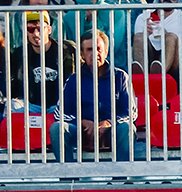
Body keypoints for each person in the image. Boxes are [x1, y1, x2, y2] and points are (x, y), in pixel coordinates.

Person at [51, 31, 137, 162]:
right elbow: (59, 114)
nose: (95, 53)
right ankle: (68, 177)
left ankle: (122, 176)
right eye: (89, 49)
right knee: (57, 128)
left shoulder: (120, 77)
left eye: (98, 49)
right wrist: (83, 122)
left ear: (106, 52)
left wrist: (108, 123)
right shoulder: (74, 79)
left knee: (127, 127)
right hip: (82, 132)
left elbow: (131, 113)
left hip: (112, 131)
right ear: (82, 54)